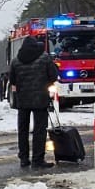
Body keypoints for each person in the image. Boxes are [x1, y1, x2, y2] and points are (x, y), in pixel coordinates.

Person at [9, 34, 58, 168]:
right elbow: (54, 75)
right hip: (40, 99)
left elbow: (12, 80)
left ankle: (24, 158)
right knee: (39, 130)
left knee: (23, 130)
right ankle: (37, 159)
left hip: (22, 100)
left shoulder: (15, 61)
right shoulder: (44, 57)